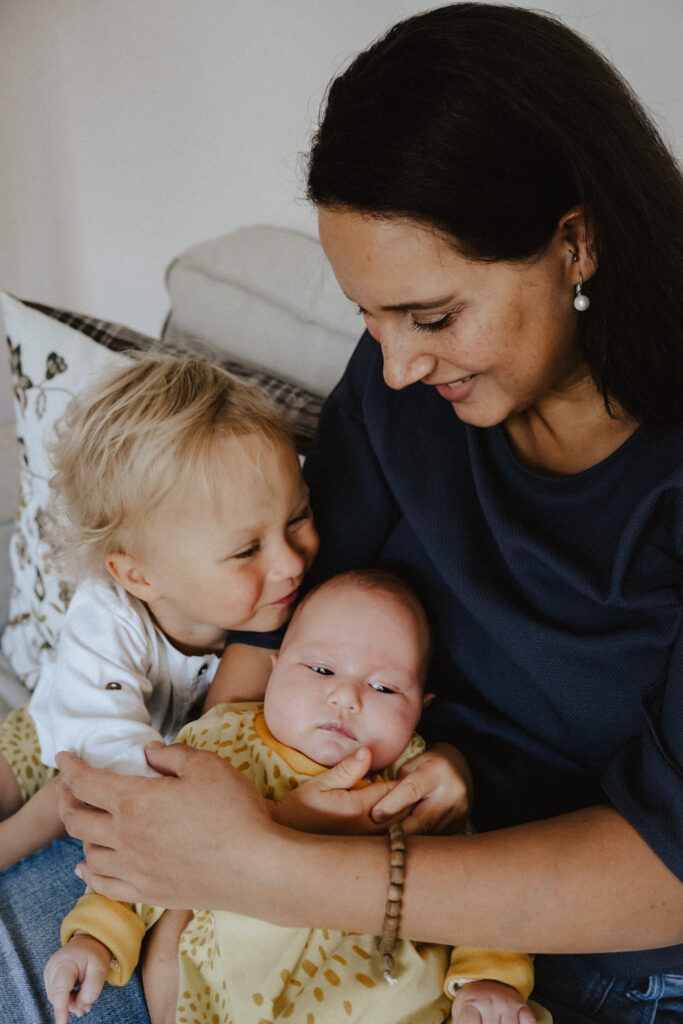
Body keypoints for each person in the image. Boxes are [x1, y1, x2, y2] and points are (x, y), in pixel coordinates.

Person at [2, 4, 682, 1023]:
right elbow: (279, 606)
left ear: (573, 243)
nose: (394, 366)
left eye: (431, 317)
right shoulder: (404, 385)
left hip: (552, 936)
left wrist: (256, 868)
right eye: (368, 317)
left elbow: (664, 866)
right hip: (306, 820)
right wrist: (213, 804)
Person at [43, 570, 544, 1024]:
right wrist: (95, 939)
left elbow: (474, 885)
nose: (346, 698)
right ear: (276, 668)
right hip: (225, 999)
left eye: (385, 688)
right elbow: (151, 848)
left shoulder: (413, 782)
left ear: (420, 709)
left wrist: (490, 978)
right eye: (322, 671)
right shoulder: (221, 745)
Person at [0, 353, 320, 871]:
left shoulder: (292, 615)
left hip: (142, 757)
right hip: (61, 728)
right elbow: (99, 748)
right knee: (61, 784)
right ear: (139, 576)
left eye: (299, 516)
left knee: (64, 798)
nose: (290, 562)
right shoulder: (107, 613)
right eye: (246, 551)